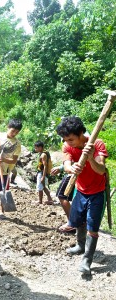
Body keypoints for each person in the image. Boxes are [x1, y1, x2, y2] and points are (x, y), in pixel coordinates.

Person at [56, 116, 108, 275]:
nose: (68, 142)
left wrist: (90, 157)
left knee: (93, 225)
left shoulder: (96, 144)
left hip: (97, 192)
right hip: (81, 190)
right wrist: (72, 169)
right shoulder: (67, 146)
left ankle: (87, 260)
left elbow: (101, 170)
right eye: (65, 139)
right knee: (77, 219)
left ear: (81, 134)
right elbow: (66, 165)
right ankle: (80, 245)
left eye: (71, 139)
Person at [51, 166, 75, 233]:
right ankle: (72, 222)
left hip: (73, 173)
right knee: (62, 195)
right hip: (73, 172)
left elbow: (75, 158)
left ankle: (72, 223)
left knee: (62, 195)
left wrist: (61, 168)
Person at [34, 141, 54, 205]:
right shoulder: (44, 153)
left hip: (42, 173)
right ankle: (50, 199)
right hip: (42, 173)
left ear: (40, 147)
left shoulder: (43, 155)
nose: (35, 149)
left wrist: (43, 176)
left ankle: (40, 201)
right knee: (43, 187)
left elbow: (45, 166)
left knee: (40, 187)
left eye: (36, 148)